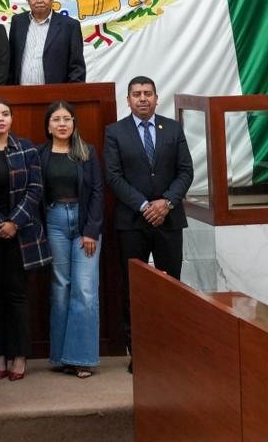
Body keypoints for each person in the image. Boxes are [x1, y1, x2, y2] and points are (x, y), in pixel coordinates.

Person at [104, 76, 194, 368]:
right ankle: (139, 351)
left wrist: (166, 203)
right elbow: (114, 177)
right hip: (132, 222)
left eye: (147, 94)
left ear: (156, 98)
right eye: (136, 94)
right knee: (135, 289)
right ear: (127, 100)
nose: (142, 99)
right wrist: (144, 205)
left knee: (171, 288)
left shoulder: (173, 129)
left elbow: (185, 172)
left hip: (169, 220)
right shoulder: (114, 132)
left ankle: (170, 348)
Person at [0, 97, 50, 382]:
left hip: (22, 235)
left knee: (19, 296)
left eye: (5, 114)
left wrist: (14, 222)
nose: (0, 119)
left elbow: (35, 189)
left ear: (11, 119)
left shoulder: (27, 149)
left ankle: (19, 355)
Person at [37, 101, 103, 378]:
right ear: (49, 126)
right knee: (61, 287)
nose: (62, 124)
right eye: (56, 119)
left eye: (67, 119)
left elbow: (98, 192)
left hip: (84, 223)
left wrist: (91, 231)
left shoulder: (87, 153)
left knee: (85, 290)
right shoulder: (40, 155)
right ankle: (63, 356)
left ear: (74, 124)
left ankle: (83, 357)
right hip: (53, 222)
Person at [7, 0, 85, 85]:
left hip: (56, 97)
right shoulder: (18, 22)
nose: (39, 0)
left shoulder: (70, 26)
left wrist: (68, 97)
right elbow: (11, 61)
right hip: (20, 94)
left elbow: (77, 68)